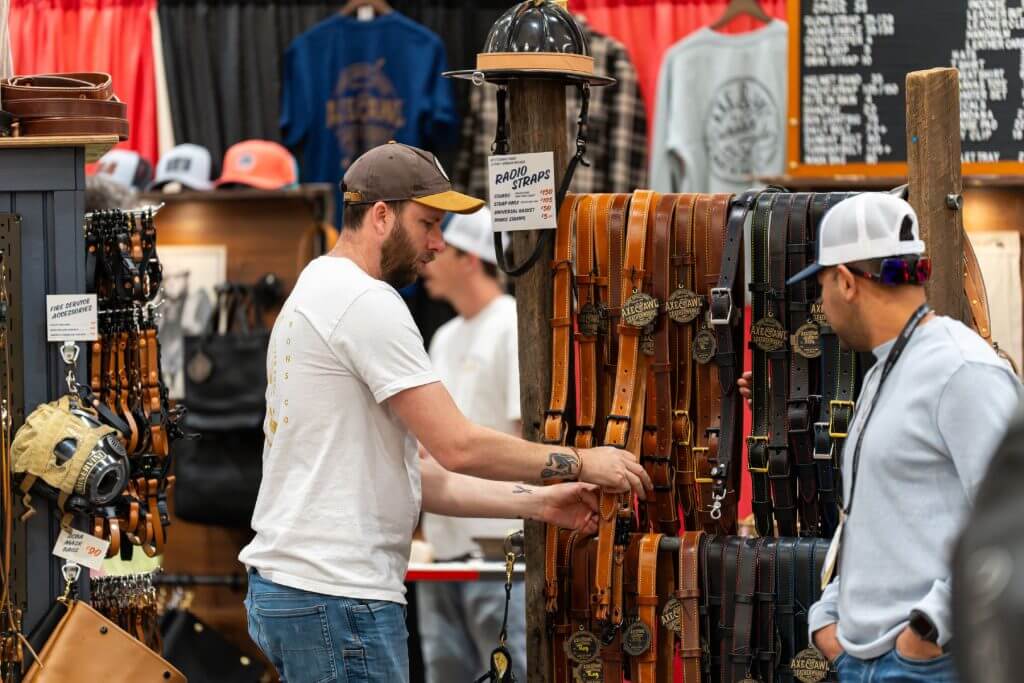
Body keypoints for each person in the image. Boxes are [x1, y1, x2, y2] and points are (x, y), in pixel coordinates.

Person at [239, 142, 652, 683]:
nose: (437, 244)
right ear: (382, 215)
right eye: (428, 224)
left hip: (306, 588)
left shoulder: (316, 287)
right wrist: (582, 461)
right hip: (336, 596)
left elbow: (424, 477)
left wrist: (543, 504)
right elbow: (459, 446)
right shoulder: (365, 301)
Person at [739, 192, 1021, 682]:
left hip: (929, 664)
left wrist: (929, 630)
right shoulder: (889, 366)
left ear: (846, 282)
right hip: (873, 659)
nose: (820, 303)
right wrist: (827, 619)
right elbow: (872, 514)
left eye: (822, 284)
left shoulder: (961, 369)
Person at [416, 206, 526, 682]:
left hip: (499, 549)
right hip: (443, 549)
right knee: (447, 671)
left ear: (470, 258)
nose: (428, 258)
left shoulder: (513, 323)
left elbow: (524, 439)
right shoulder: (443, 337)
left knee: (510, 670)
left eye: (444, 248)